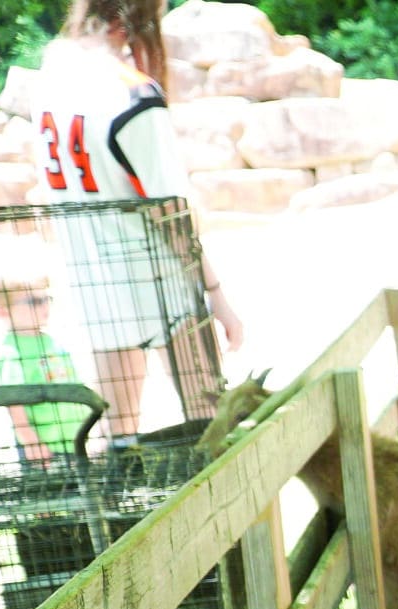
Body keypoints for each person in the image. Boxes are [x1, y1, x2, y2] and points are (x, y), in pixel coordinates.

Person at [32, 0, 245, 446]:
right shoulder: (131, 94)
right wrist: (217, 293)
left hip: (95, 283)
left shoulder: (50, 80)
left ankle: (114, 511)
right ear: (130, 20)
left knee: (118, 433)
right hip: (161, 283)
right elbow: (171, 213)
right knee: (210, 422)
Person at [0, 264, 90, 463]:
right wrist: (31, 442)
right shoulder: (12, 351)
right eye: (34, 301)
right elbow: (13, 401)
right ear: (2, 311)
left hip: (73, 439)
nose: (45, 306)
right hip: (44, 447)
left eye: (46, 298)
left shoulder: (50, 341)